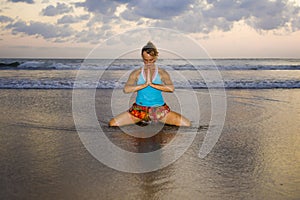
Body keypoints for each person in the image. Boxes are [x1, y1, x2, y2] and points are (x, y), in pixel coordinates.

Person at [109, 41, 191, 127]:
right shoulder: (136, 73)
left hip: (159, 109)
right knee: (112, 124)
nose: (148, 63)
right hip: (139, 109)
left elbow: (171, 88)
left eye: (151, 60)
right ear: (142, 57)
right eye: (145, 60)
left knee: (187, 124)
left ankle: (154, 120)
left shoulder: (162, 73)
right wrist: (144, 85)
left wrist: (152, 84)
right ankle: (142, 119)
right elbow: (126, 89)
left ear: (155, 57)